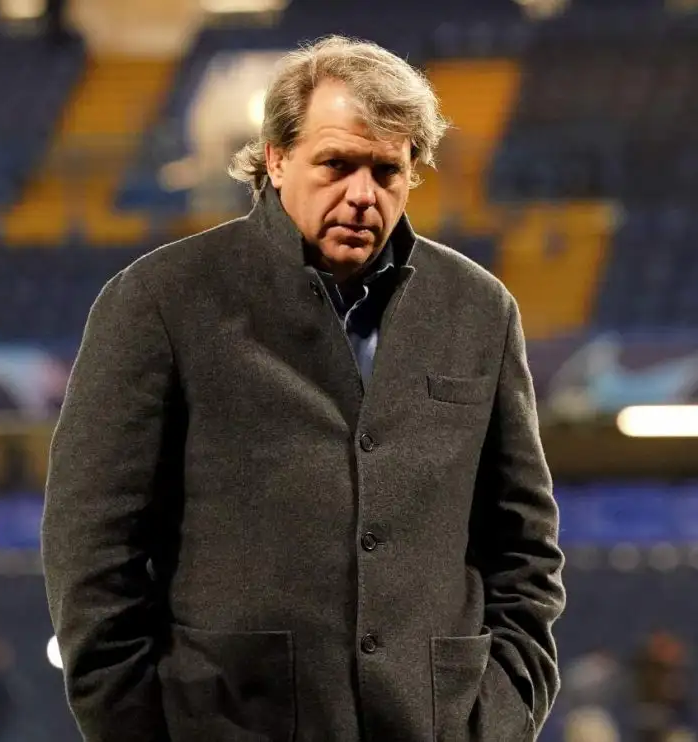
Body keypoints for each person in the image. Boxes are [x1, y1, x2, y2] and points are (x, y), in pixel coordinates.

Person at [41, 35, 565, 742]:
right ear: (277, 158)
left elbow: (524, 547)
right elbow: (92, 546)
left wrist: (500, 717)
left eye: (387, 170)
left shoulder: (480, 309)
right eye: (337, 164)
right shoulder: (160, 301)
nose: (361, 194)